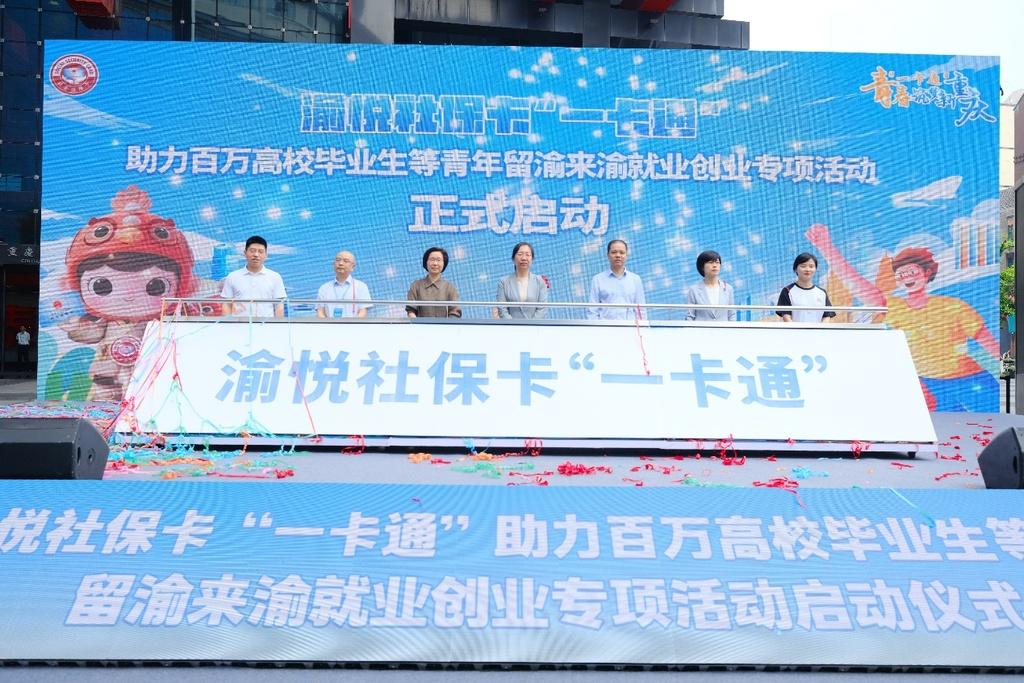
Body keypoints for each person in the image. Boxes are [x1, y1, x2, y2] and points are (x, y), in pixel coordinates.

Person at [806, 223, 1000, 411]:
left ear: (927, 273)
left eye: (912, 272)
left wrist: (1011, 375)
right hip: (929, 387)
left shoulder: (953, 307)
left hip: (970, 380)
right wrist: (826, 246)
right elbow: (856, 284)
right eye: (901, 274)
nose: (907, 277)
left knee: (995, 424)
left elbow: (989, 343)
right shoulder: (894, 307)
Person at [61, 185, 199, 400]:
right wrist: (77, 329)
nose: (128, 295)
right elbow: (93, 334)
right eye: (102, 286)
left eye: (155, 286)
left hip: (147, 367)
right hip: (107, 369)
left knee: (146, 397)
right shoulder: (107, 322)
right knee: (105, 400)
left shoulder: (159, 321)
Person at [220, 235, 286, 318]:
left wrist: (278, 324)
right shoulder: (233, 277)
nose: (256, 255)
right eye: (252, 251)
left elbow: (279, 306)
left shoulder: (275, 277)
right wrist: (227, 323)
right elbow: (227, 305)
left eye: (260, 251)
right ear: (245, 253)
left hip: (266, 324)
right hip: (239, 324)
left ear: (266, 255)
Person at [587, 239, 645, 320]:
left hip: (629, 326)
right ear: (608, 255)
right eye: (614, 252)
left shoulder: (635, 279)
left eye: (622, 252)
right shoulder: (597, 279)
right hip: (606, 326)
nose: (618, 255)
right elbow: (592, 310)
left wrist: (642, 326)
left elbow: (641, 310)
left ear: (626, 255)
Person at [493, 242, 548, 320]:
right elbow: (502, 309)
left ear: (532, 259)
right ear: (513, 259)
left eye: (527, 255)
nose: (524, 258)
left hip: (535, 326)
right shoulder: (503, 282)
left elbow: (542, 309)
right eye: (520, 254)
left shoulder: (540, 282)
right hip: (510, 326)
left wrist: (532, 325)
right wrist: (514, 325)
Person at [776, 252, 836, 323]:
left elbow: (827, 316)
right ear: (795, 269)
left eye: (811, 266)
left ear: (815, 269)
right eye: (803, 266)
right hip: (795, 330)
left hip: (817, 330)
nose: (807, 269)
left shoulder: (822, 292)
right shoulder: (787, 291)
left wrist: (820, 329)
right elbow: (786, 317)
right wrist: (797, 330)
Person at [407, 246, 460, 318]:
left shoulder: (449, 287)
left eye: (438, 260)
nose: (435, 263)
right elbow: (411, 311)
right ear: (426, 262)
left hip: (444, 325)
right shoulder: (416, 285)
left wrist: (448, 324)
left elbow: (455, 312)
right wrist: (417, 324)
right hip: (420, 325)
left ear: (444, 263)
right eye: (432, 259)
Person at [316, 250, 371, 318]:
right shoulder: (324, 288)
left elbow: (363, 311)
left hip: (353, 324)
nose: (341, 263)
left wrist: (351, 324)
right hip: (329, 324)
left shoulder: (361, 286)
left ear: (353, 267)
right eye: (338, 260)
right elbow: (320, 312)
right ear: (333, 264)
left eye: (345, 261)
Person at [684, 250, 736, 321]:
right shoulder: (694, 290)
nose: (715, 265)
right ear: (702, 267)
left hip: (723, 328)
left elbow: (732, 315)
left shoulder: (728, 288)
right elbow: (690, 316)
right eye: (711, 262)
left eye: (717, 262)